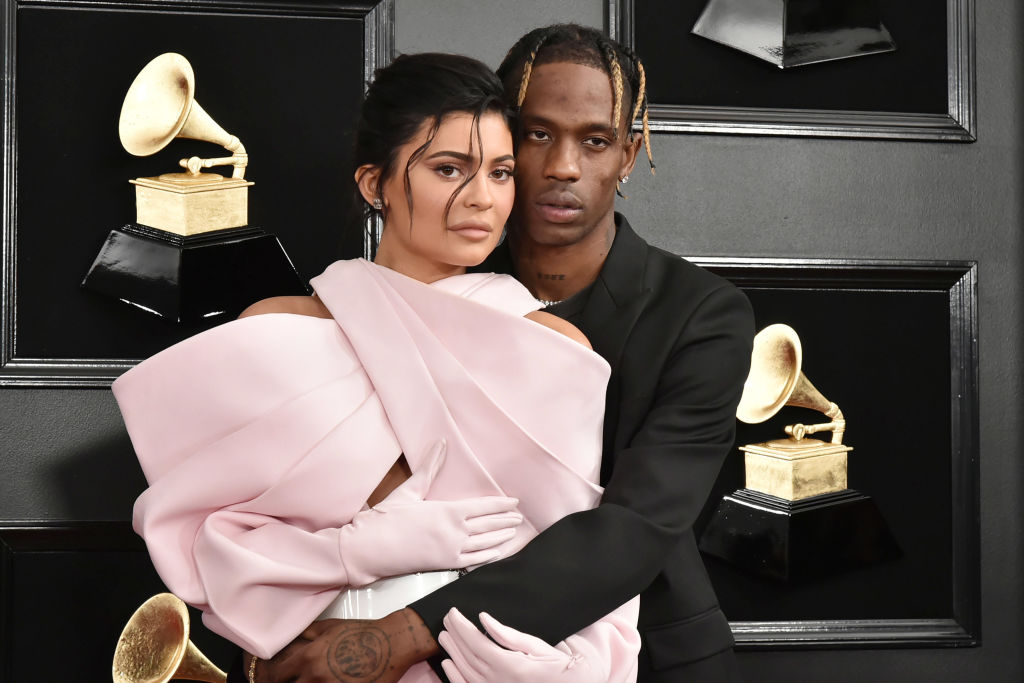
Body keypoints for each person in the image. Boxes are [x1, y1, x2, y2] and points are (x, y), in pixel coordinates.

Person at [112, 52, 641, 683]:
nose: (482, 198)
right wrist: (353, 550)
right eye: (450, 169)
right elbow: (208, 542)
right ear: (374, 183)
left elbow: (584, 559)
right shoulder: (277, 331)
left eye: (501, 173)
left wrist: (568, 668)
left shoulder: (556, 349)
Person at [259, 24, 755, 683]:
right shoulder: (426, 273)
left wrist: (405, 634)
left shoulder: (703, 313)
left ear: (629, 155)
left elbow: (632, 528)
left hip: (645, 652)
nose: (563, 166)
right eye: (538, 134)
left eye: (595, 140)